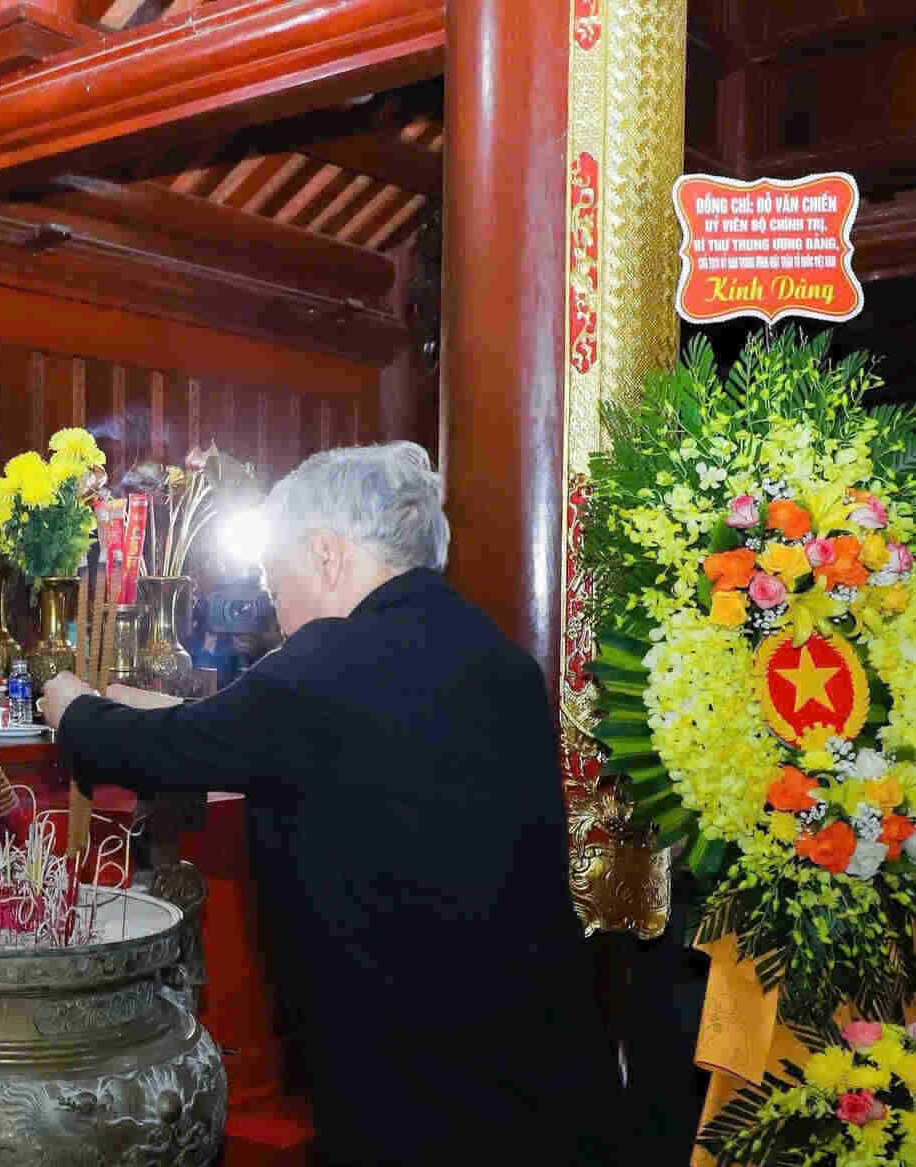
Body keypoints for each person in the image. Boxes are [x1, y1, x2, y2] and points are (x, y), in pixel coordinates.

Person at [42, 441, 627, 1166]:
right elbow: (275, 739)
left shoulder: (326, 665)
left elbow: (167, 750)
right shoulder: (494, 656)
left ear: (324, 554)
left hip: (424, 1105)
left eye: (273, 578)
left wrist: (73, 708)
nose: (276, 608)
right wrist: (154, 710)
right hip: (550, 1078)